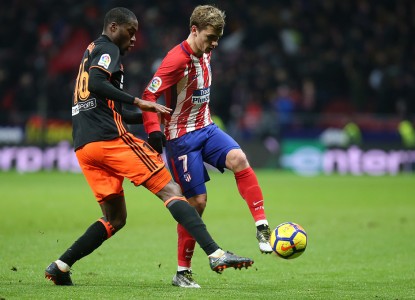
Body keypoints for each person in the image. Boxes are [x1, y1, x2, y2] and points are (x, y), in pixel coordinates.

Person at [44, 7, 253, 286]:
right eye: (131, 33)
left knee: (115, 219)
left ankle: (61, 265)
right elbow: (96, 84)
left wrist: (151, 115)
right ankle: (215, 253)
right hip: (109, 140)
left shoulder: (91, 51)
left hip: (84, 146)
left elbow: (113, 106)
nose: (133, 40)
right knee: (173, 190)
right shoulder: (108, 49)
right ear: (114, 27)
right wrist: (139, 102)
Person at [141, 5, 272, 289]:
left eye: (218, 39)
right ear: (194, 30)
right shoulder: (175, 60)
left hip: (207, 127)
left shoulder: (206, 49)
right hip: (180, 138)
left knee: (239, 158)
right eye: (210, 37)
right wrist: (153, 132)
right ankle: (182, 272)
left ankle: (262, 226)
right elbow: (149, 94)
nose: (214, 44)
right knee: (197, 204)